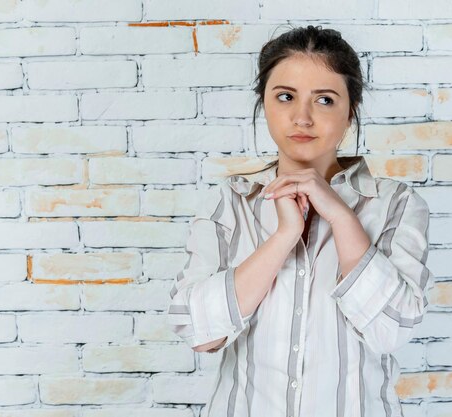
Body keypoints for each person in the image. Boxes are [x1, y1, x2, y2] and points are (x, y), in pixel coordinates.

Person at [167, 24, 433, 417]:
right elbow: (199, 332)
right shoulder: (229, 202)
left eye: (324, 100)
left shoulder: (395, 203)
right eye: (285, 97)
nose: (302, 117)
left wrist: (341, 215)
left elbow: (391, 329)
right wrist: (284, 235)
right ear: (265, 105)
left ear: (350, 114)